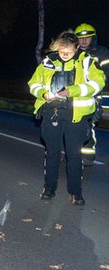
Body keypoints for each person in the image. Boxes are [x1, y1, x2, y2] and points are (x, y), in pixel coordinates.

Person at [28, 30, 105, 205]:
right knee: (52, 153)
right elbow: (33, 83)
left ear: (76, 48)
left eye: (69, 52)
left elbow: (98, 83)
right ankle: (49, 188)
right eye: (62, 51)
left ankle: (76, 192)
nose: (64, 55)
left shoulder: (87, 62)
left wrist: (74, 91)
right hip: (52, 113)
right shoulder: (48, 62)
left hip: (75, 116)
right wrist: (42, 93)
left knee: (74, 155)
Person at [74, 23, 109, 165]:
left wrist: (96, 91)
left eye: (87, 38)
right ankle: (74, 153)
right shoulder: (72, 52)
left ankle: (87, 156)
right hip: (74, 96)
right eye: (80, 38)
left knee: (87, 125)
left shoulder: (102, 52)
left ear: (93, 38)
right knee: (72, 127)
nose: (83, 41)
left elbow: (107, 74)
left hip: (93, 96)